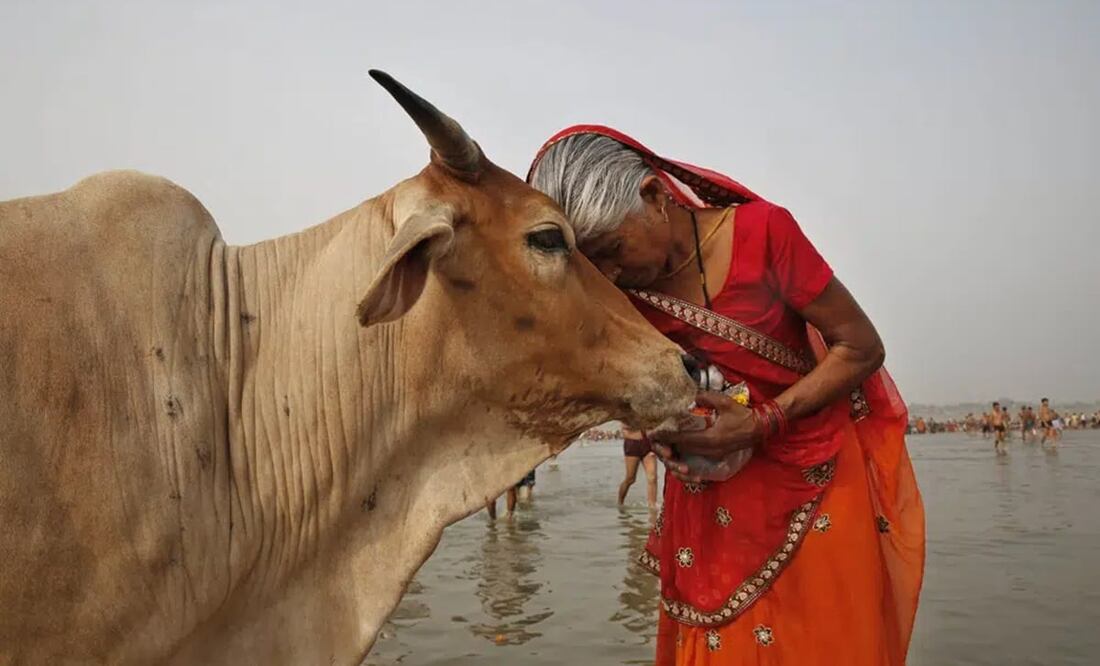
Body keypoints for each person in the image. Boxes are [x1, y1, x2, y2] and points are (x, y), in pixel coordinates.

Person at [528, 127, 924, 666]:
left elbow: (860, 347)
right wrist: (662, 431)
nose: (612, 275)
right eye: (596, 267)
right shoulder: (621, 294)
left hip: (813, 475)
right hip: (708, 497)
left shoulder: (764, 235)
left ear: (654, 196)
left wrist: (760, 423)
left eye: (613, 250)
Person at [620, 425, 659, 509]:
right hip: (632, 443)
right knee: (630, 479)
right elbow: (624, 427)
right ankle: (620, 502)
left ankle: (652, 506)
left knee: (652, 478)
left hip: (648, 443)